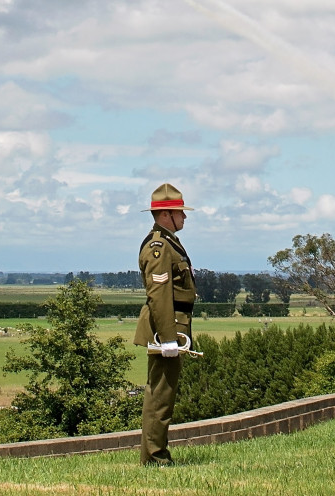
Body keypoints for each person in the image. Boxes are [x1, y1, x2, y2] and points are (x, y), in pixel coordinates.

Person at [134, 183, 197, 466]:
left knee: (163, 394)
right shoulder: (159, 246)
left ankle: (156, 454)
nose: (184, 217)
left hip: (172, 327)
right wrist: (168, 337)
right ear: (166, 215)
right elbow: (159, 295)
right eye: (180, 212)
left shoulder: (169, 242)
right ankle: (155, 457)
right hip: (166, 327)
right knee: (160, 395)